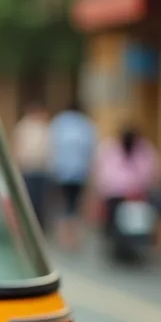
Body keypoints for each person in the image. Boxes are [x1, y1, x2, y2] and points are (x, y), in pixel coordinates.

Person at [47, 100, 98, 251]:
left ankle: (63, 237)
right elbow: (90, 150)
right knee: (74, 205)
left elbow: (52, 145)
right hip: (79, 172)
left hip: (61, 171)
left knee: (63, 205)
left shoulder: (59, 122)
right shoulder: (86, 125)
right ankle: (73, 238)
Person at [92, 125, 159, 236]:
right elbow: (103, 174)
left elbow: (151, 172)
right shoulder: (109, 149)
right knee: (113, 224)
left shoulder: (145, 150)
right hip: (115, 195)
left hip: (138, 195)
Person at [13, 101, 51, 232]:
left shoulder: (44, 127)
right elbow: (17, 147)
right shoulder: (23, 127)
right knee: (28, 200)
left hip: (41, 170)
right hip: (28, 169)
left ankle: (38, 228)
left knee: (40, 201)